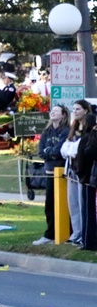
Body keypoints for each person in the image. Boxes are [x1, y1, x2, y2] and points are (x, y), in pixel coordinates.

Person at [33, 104, 70, 245]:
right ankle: (50, 234)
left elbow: (59, 151)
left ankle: (66, 232)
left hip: (62, 173)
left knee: (63, 204)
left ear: (63, 115)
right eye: (51, 111)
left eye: (56, 111)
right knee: (49, 205)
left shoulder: (66, 131)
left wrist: (51, 152)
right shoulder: (47, 131)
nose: (52, 113)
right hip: (49, 172)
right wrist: (50, 152)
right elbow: (41, 151)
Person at [60, 100, 91, 246]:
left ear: (85, 110)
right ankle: (76, 233)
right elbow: (64, 149)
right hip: (71, 169)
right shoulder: (73, 127)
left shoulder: (89, 128)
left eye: (78, 109)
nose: (75, 111)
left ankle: (83, 233)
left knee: (82, 202)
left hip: (82, 171)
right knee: (73, 203)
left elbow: (77, 149)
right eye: (74, 109)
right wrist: (71, 149)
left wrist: (71, 149)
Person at [73, 113, 97, 250]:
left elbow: (87, 154)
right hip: (89, 178)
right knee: (89, 210)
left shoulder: (88, 138)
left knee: (90, 210)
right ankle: (89, 241)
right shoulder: (88, 137)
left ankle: (90, 241)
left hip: (90, 178)